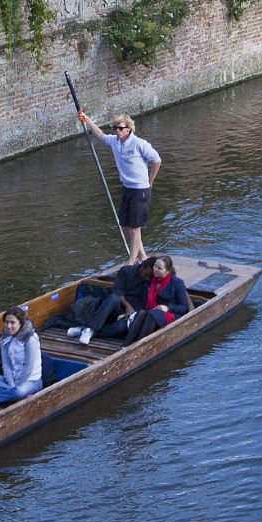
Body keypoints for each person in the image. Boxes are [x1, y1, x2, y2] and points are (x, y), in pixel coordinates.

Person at [78, 109, 161, 263]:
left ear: (129, 129)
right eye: (115, 128)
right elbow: (100, 134)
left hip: (140, 190)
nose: (117, 131)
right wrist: (86, 119)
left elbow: (157, 160)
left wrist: (150, 181)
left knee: (135, 228)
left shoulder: (139, 144)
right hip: (127, 188)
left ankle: (131, 262)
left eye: (120, 128)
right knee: (125, 226)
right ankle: (143, 257)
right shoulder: (114, 142)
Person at [69, 257, 152, 345]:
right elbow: (117, 291)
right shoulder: (126, 270)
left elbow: (143, 303)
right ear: (142, 267)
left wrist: (131, 313)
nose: (147, 278)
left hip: (130, 313)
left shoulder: (150, 282)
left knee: (120, 328)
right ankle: (90, 329)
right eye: (146, 275)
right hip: (116, 307)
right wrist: (128, 306)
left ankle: (86, 330)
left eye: (149, 276)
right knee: (113, 297)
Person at [123, 254, 190, 344]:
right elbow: (143, 301)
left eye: (159, 268)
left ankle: (136, 345)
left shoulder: (177, 283)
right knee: (142, 313)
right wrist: (131, 312)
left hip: (170, 314)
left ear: (167, 271)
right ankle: (126, 345)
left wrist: (168, 308)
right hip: (150, 312)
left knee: (150, 315)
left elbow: (184, 307)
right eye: (155, 266)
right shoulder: (150, 280)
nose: (155, 269)